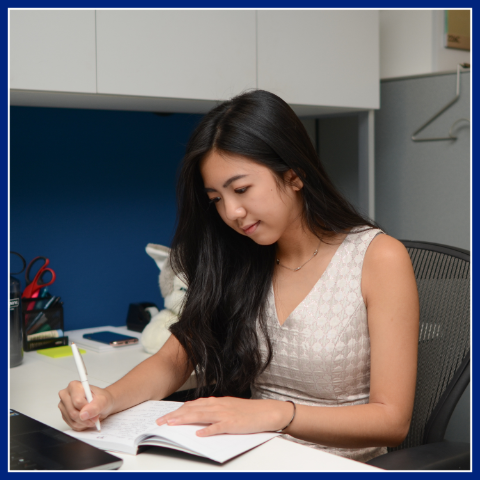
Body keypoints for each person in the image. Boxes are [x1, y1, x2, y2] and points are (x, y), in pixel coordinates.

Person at [58, 90, 419, 463]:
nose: (231, 212)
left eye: (241, 189)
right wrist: (106, 399)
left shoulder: (378, 257)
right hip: (252, 457)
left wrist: (277, 414)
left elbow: (392, 420)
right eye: (216, 198)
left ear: (294, 175)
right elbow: (173, 360)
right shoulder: (241, 257)